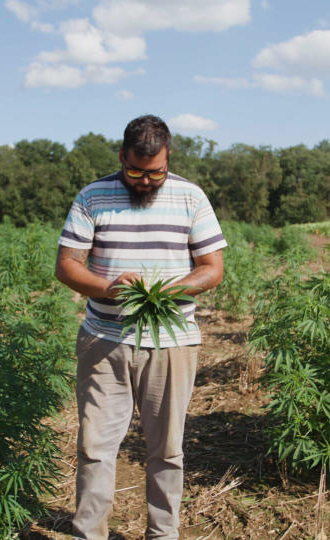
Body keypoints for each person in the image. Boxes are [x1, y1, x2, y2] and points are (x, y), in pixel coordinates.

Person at [55, 114, 226, 539]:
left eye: (155, 173)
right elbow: (66, 266)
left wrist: (171, 290)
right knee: (96, 448)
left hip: (171, 342)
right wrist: (110, 288)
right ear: (122, 157)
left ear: (168, 160)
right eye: (135, 171)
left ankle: (162, 534)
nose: (145, 181)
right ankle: (89, 533)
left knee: (167, 450)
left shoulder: (191, 197)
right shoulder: (93, 196)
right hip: (105, 341)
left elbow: (212, 268)